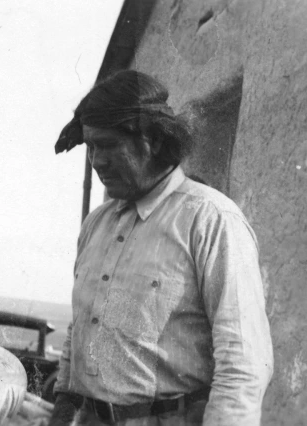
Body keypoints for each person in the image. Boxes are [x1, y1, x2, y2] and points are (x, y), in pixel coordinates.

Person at [50, 70, 273, 425]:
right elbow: (81, 328)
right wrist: (62, 411)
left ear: (152, 139)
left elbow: (243, 364)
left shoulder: (211, 220)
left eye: (108, 145)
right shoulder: (96, 224)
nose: (97, 161)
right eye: (91, 147)